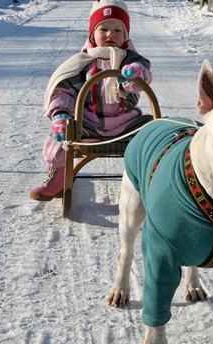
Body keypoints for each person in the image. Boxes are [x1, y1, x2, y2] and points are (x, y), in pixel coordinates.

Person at [30, 0, 153, 201]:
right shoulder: (82, 63)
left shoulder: (131, 60)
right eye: (103, 29)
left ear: (126, 35)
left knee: (157, 134)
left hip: (127, 124)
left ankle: (154, 180)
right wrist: (60, 114)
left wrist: (133, 77)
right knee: (59, 139)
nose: (110, 34)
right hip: (89, 124)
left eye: (117, 30)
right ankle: (57, 179)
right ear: (92, 34)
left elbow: (141, 80)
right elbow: (65, 91)